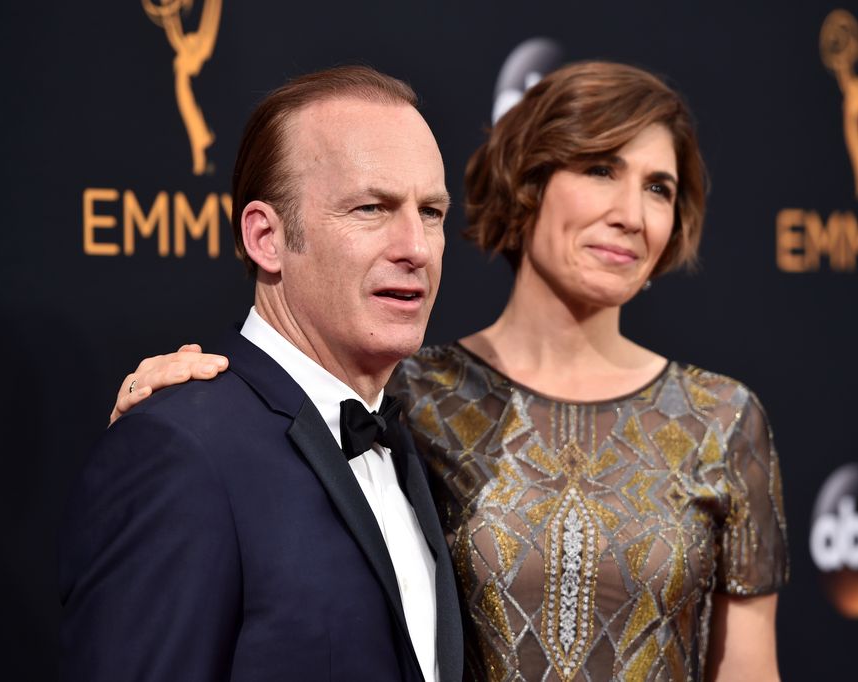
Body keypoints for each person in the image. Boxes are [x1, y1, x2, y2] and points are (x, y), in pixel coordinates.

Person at [111, 61, 789, 681]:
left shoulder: (722, 418)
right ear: (528, 183)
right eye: (601, 170)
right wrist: (179, 408)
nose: (631, 216)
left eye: (660, 189)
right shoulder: (404, 391)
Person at [60, 66, 464, 682]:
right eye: (371, 207)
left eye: (431, 212)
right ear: (267, 238)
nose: (416, 246)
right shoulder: (179, 450)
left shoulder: (414, 441)